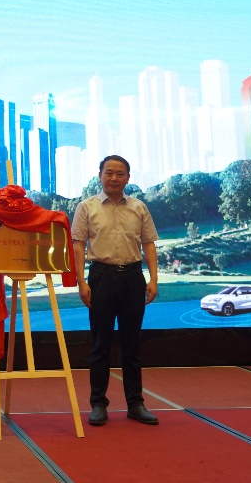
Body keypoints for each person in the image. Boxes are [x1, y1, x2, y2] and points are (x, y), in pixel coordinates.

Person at [71, 155, 160, 427]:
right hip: (101, 277)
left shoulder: (139, 207)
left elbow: (149, 244)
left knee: (132, 345)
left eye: (120, 174)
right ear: (100, 175)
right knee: (100, 345)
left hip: (133, 278)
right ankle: (98, 404)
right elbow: (78, 245)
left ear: (128, 178)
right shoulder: (86, 207)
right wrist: (81, 282)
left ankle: (136, 404)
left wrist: (153, 279)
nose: (114, 178)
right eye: (108, 173)